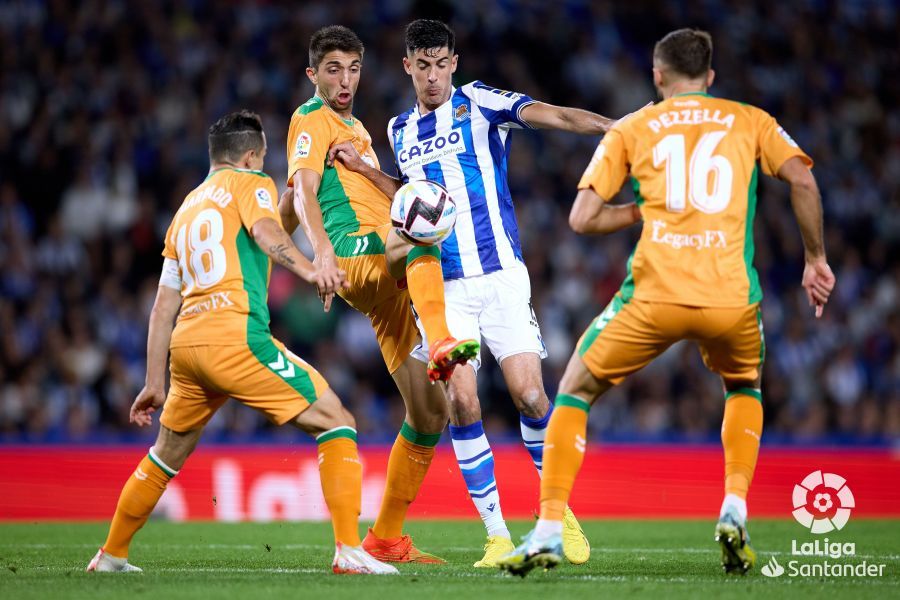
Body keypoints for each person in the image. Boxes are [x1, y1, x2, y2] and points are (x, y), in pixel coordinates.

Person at [497, 28, 836, 577]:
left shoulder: (634, 125)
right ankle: (734, 506)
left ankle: (549, 530)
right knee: (744, 386)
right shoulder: (750, 119)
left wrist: (641, 212)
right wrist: (815, 258)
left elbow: (581, 219)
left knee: (575, 390)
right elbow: (802, 178)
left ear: (657, 76)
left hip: (655, 295)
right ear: (711, 76)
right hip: (730, 297)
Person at [328, 18, 631, 569]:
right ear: (407, 67)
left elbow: (556, 115)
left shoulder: (479, 102)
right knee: (462, 401)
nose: (433, 76)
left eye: (441, 63)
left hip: (501, 275)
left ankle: (557, 514)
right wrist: (366, 173)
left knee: (531, 397)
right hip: (442, 288)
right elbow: (411, 197)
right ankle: (495, 536)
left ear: (454, 62)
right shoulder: (398, 130)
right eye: (423, 66)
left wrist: (619, 129)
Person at [86, 110, 396, 576]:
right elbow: (267, 232)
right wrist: (313, 268)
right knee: (337, 421)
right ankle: (350, 551)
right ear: (252, 156)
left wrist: (154, 381)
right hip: (235, 337)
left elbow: (162, 306)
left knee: (165, 454)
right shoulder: (251, 184)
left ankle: (110, 554)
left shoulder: (186, 210)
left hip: (186, 349)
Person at [277, 25, 477, 564]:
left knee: (431, 415)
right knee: (423, 226)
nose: (345, 81)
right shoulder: (309, 118)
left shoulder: (358, 128)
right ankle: (441, 339)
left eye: (354, 69)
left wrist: (274, 245)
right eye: (334, 69)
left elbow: (288, 206)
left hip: (388, 286)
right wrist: (318, 255)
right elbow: (304, 189)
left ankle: (385, 537)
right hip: (357, 253)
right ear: (312, 74)